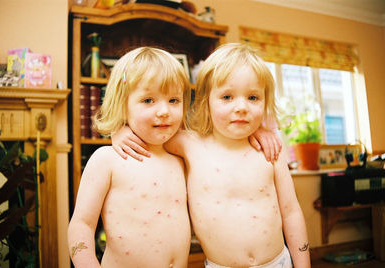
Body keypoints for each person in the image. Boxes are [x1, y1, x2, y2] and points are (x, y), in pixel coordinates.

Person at [112, 43, 310, 268]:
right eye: (227, 97)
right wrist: (120, 130)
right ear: (206, 102)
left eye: (253, 98)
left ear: (265, 102)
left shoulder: (271, 149)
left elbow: (291, 212)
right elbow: (150, 130)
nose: (242, 107)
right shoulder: (188, 144)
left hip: (278, 263)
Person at [67, 47, 192, 268]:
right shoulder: (108, 159)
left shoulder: (182, 157)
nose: (164, 111)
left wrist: (262, 130)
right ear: (122, 105)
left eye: (174, 100)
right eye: (148, 100)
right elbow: (81, 224)